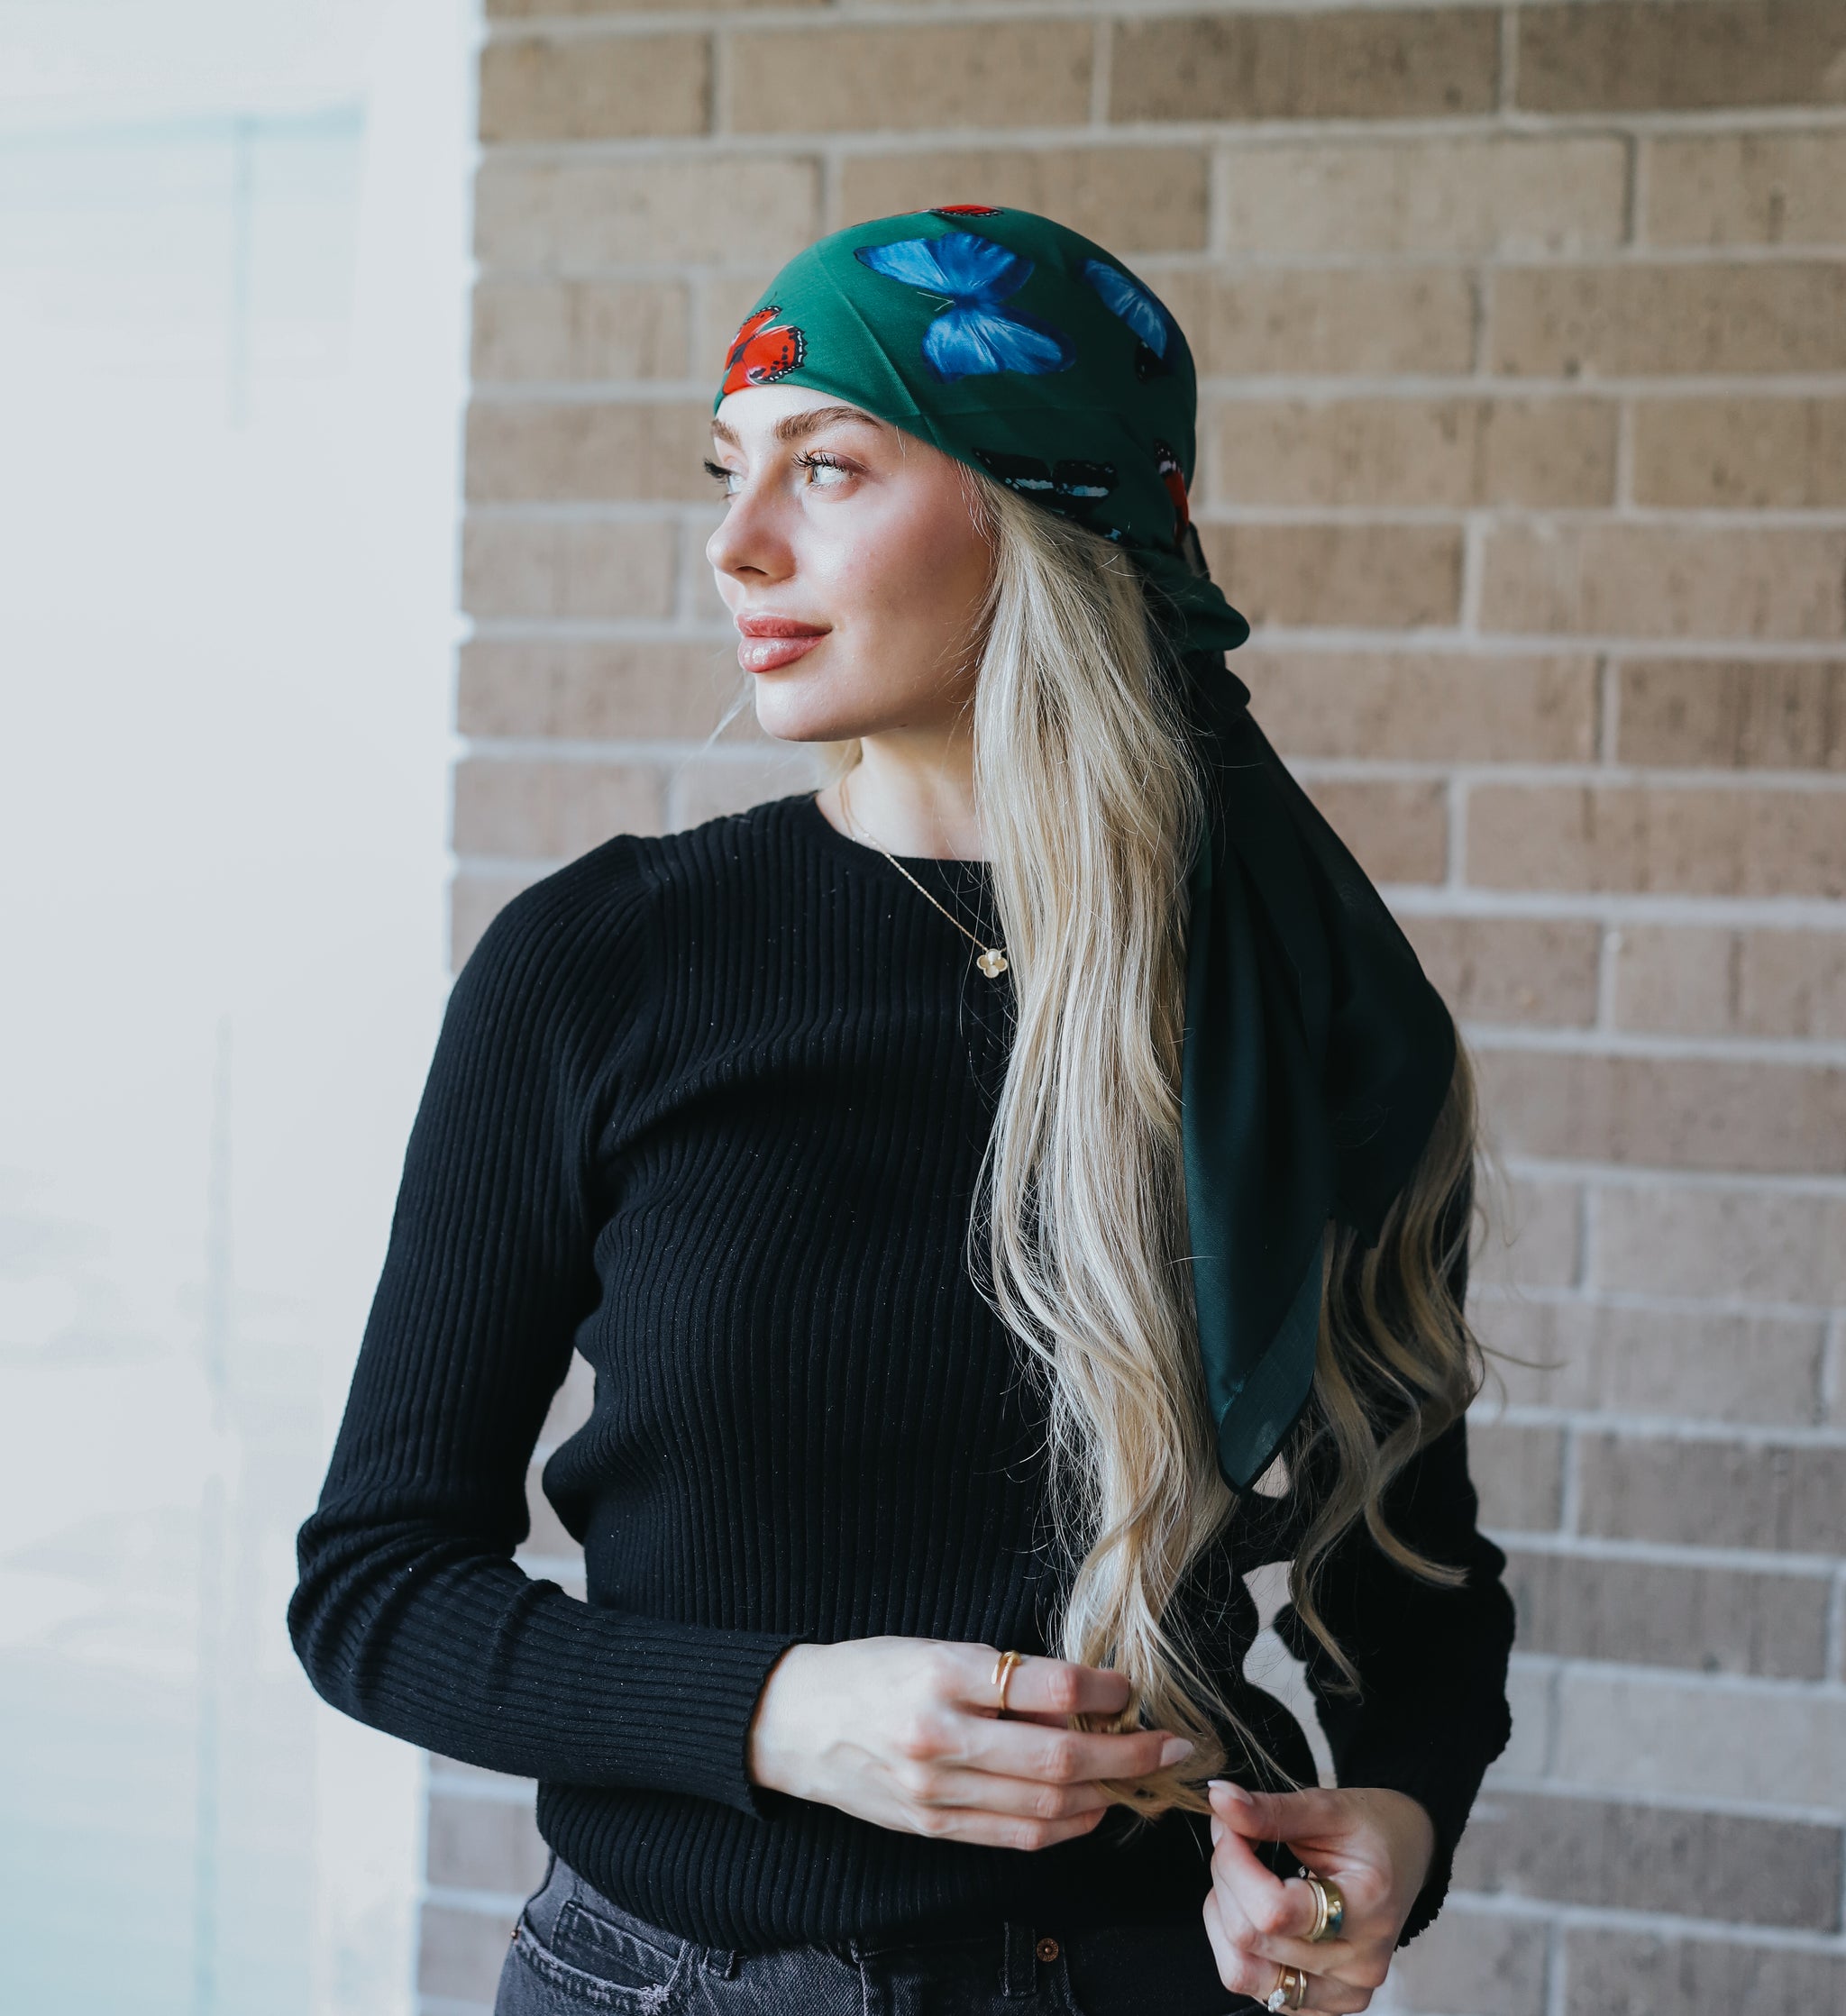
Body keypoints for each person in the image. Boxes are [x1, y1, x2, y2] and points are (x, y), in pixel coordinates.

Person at [290, 206, 1517, 2016]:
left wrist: (1394, 1827)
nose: (736, 542)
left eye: (829, 465)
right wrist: (781, 1713)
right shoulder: (604, 962)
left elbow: (1407, 1574)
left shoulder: (1285, 995)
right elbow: (374, 1590)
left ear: (1050, 510)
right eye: (728, 471)